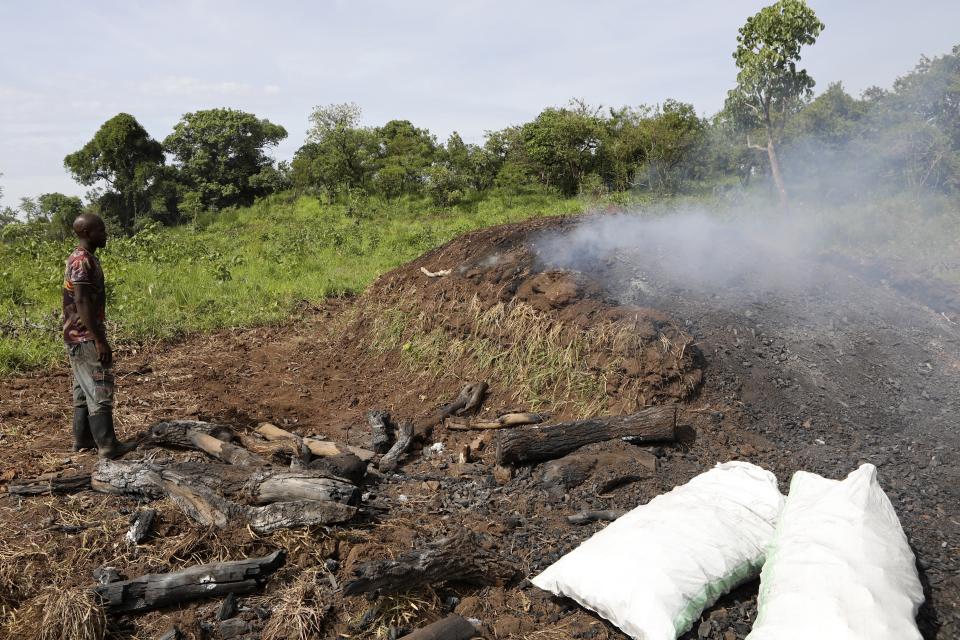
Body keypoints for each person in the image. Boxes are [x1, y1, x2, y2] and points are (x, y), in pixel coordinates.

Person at [63, 213, 135, 458]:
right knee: (99, 385)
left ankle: (82, 439)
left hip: (77, 335)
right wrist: (99, 339)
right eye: (100, 230)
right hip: (85, 336)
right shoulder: (82, 260)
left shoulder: (81, 257)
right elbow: (81, 301)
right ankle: (108, 445)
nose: (105, 234)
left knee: (83, 389)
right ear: (85, 233)